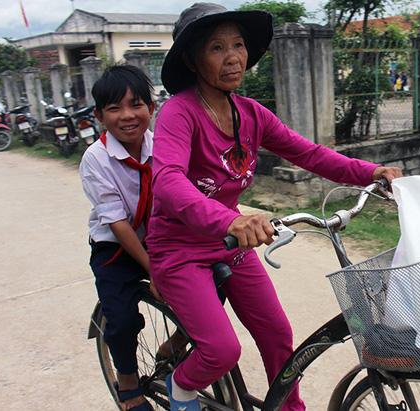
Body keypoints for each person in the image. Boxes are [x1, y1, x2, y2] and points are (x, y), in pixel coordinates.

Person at [147, 3, 403, 411]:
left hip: (230, 241)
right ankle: (180, 386)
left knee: (277, 334)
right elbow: (169, 182)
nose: (232, 57)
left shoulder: (250, 113)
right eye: (216, 47)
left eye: (238, 44)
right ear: (190, 59)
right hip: (180, 249)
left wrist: (372, 173)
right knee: (221, 351)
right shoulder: (178, 112)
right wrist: (232, 218)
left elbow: (311, 154)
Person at [79, 64, 158, 411]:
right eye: (114, 108)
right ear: (99, 116)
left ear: (151, 108)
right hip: (116, 246)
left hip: (158, 237)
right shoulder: (95, 159)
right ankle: (127, 379)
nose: (127, 116)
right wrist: (154, 270)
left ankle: (176, 345)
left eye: (136, 104)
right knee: (123, 317)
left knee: (218, 279)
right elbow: (118, 225)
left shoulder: (161, 145)